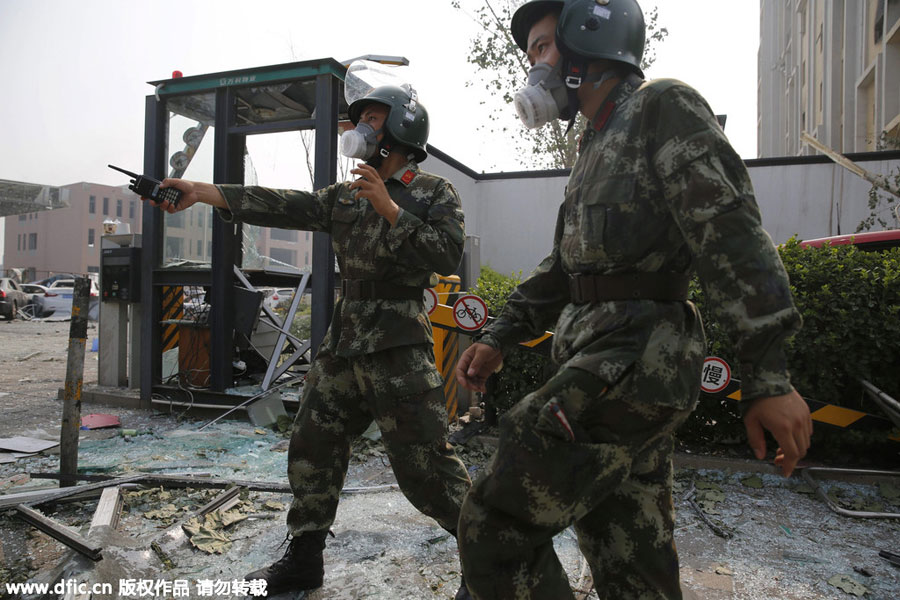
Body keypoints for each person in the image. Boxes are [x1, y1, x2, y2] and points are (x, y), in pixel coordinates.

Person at [453, 1, 813, 598]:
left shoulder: (661, 107)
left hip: (632, 361)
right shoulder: (594, 144)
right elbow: (567, 268)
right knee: (629, 550)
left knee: (494, 524)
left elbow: (730, 234)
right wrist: (499, 337)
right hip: (609, 361)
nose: (532, 67)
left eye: (541, 47)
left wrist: (768, 376)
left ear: (587, 38)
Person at [145, 85, 474, 599]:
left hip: (397, 346)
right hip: (343, 344)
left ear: (403, 130)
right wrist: (204, 192)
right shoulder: (346, 195)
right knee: (312, 444)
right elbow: (285, 204)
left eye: (372, 118)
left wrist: (390, 208)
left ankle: (488, 562)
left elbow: (446, 256)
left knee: (427, 469)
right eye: (358, 118)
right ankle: (304, 559)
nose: (360, 127)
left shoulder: (433, 192)